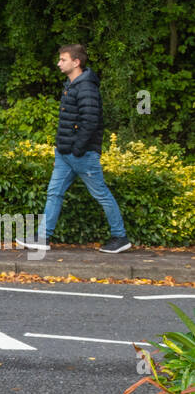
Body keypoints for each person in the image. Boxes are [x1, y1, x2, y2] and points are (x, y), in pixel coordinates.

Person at [16, 44, 131, 255]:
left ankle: (120, 237)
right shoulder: (72, 85)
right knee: (54, 193)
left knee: (101, 194)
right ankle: (42, 237)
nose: (59, 63)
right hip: (65, 153)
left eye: (63, 59)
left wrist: (77, 149)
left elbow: (90, 121)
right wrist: (63, 149)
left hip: (82, 154)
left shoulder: (86, 87)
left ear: (76, 62)